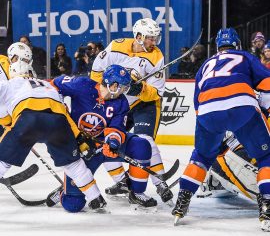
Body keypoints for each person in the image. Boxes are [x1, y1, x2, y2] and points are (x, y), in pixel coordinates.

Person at [172, 28, 270, 232]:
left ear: (217, 47)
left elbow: (197, 104)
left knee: (201, 156)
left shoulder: (205, 65)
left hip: (208, 112)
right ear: (237, 45)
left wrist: (210, 132)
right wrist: (263, 109)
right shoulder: (245, 56)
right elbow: (267, 83)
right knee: (266, 156)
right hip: (242, 107)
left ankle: (181, 203)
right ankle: (267, 205)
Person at [0, 42, 106, 210]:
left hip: (29, 120)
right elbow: (65, 114)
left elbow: (4, 116)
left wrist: (9, 124)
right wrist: (78, 136)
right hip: (58, 123)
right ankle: (96, 197)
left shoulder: (10, 85)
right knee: (73, 164)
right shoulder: (48, 85)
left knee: (3, 160)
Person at [51, 65, 158, 211]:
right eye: (122, 87)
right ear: (113, 85)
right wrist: (58, 105)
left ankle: (137, 193)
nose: (124, 91)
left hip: (102, 144)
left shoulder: (121, 102)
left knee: (142, 146)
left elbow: (117, 127)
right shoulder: (82, 85)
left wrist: (113, 142)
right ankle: (65, 189)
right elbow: (54, 84)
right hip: (82, 147)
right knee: (73, 205)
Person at [90, 18, 173, 204]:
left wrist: (137, 88)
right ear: (138, 36)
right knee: (106, 142)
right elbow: (95, 74)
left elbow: (156, 92)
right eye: (151, 38)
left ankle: (160, 182)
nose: (154, 42)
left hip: (145, 104)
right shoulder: (115, 47)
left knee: (146, 141)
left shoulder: (156, 56)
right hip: (118, 103)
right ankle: (122, 181)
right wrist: (113, 87)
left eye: (156, 38)